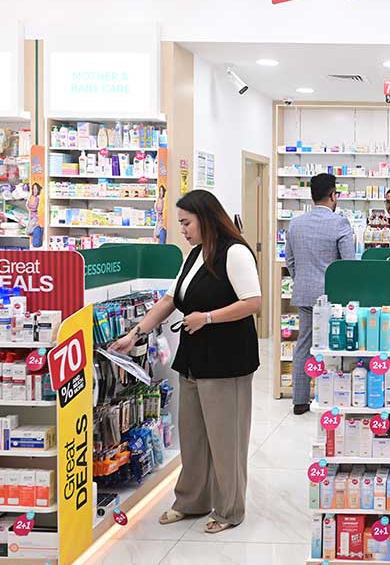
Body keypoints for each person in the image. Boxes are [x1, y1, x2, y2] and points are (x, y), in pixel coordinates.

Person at [110, 189, 261, 533]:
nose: (182, 230)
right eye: (180, 223)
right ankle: (191, 501)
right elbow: (170, 300)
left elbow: (253, 302)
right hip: (193, 358)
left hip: (227, 360)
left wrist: (207, 318)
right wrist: (135, 333)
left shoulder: (235, 252)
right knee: (193, 437)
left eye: (186, 222)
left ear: (206, 219)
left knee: (226, 440)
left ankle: (229, 510)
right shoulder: (194, 255)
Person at [285, 173, 356, 414]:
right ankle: (334, 396)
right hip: (333, 297)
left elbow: (290, 261)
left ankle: (300, 401)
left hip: (305, 293)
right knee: (336, 344)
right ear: (333, 195)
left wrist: (303, 279)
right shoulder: (340, 223)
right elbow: (348, 264)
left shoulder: (296, 224)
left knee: (304, 345)